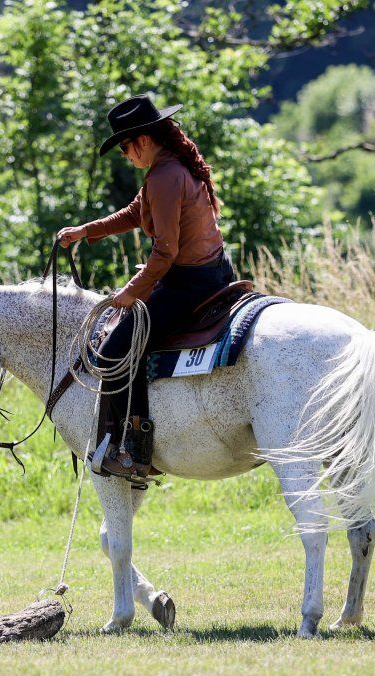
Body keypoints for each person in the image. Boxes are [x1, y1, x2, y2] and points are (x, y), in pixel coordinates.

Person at [57, 94, 237, 479]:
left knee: (114, 351)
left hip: (190, 283)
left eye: (124, 148)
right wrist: (86, 231)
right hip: (213, 271)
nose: (125, 155)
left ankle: (135, 451)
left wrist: (131, 292)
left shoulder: (164, 176)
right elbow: (137, 213)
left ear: (141, 141)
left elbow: (165, 251)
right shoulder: (167, 170)